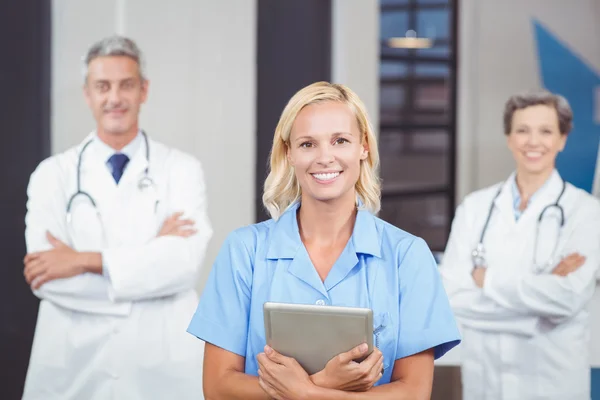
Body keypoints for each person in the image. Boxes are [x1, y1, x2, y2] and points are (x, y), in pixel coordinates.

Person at [187, 81, 461, 399]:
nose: (324, 157)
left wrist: (304, 392)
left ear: (364, 147)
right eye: (307, 144)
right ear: (288, 153)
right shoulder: (244, 251)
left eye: (340, 140)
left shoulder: (406, 256)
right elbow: (218, 389)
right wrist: (328, 382)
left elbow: (413, 393)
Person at [21, 35, 212, 400]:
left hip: (160, 367)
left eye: (126, 85)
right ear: (87, 94)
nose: (115, 98)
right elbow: (47, 277)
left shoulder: (182, 169)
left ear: (144, 90)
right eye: (102, 86)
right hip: (77, 365)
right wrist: (151, 262)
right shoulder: (52, 174)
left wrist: (82, 261)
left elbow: (183, 265)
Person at [439, 89, 600, 400]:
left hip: (554, 386)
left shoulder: (586, 212)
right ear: (509, 138)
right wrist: (537, 310)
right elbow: (452, 299)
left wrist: (488, 280)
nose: (533, 142)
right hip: (485, 384)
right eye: (522, 130)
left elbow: (566, 300)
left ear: (562, 139)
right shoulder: (475, 207)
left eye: (546, 131)